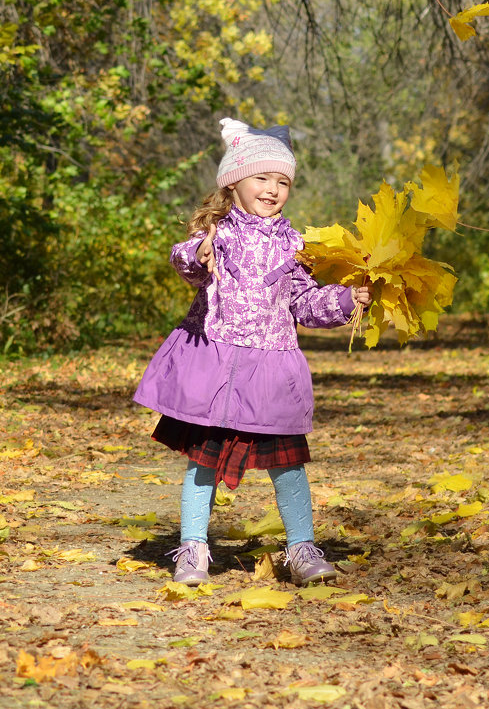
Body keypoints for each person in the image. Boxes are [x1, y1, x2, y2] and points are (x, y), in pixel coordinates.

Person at [134, 117, 371, 588]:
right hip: (216, 366)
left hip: (269, 370)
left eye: (283, 181)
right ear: (233, 181)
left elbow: (305, 302)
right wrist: (196, 256)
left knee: (288, 464)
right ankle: (193, 549)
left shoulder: (295, 243)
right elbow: (186, 259)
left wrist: (345, 300)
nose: (273, 188)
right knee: (202, 461)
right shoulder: (217, 234)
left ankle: (301, 547)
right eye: (262, 177)